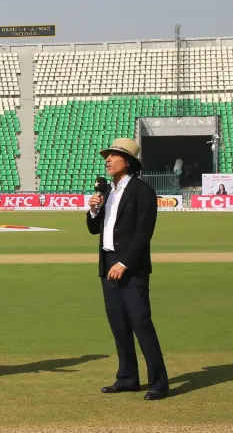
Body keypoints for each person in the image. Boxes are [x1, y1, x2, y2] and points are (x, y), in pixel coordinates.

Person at [87, 138, 169, 401]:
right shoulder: (108, 192)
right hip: (108, 265)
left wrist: (124, 263)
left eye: (113, 155)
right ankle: (127, 378)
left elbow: (144, 232)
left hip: (130, 268)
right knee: (119, 325)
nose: (107, 160)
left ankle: (159, 382)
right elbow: (94, 229)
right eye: (107, 156)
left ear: (128, 162)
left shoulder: (142, 191)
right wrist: (93, 210)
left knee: (141, 324)